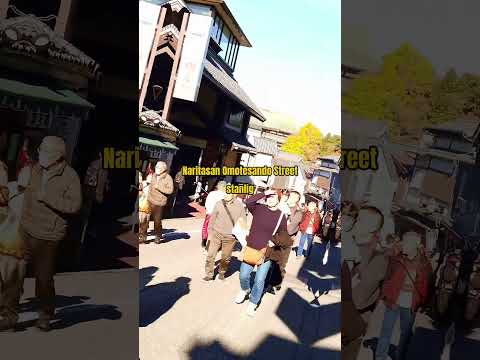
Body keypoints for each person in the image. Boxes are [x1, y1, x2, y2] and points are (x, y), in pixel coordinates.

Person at [20, 136, 82, 331]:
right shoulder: (36, 169)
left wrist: (47, 198)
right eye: (40, 150)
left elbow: (74, 206)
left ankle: (45, 313)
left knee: (43, 278)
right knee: (13, 272)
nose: (40, 154)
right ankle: (8, 312)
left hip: (49, 235)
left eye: (44, 152)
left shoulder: (70, 176)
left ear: (57, 156)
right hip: (26, 228)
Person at [375, 231, 432, 360]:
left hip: (410, 304)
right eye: (403, 241)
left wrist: (421, 301)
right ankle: (380, 356)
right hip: (393, 300)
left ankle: (400, 356)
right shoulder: (397, 258)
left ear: (416, 244)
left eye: (406, 241)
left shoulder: (424, 264)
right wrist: (385, 295)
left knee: (405, 334)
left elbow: (426, 285)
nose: (403, 244)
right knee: (386, 331)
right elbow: (387, 277)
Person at [234, 189, 287, 317]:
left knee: (259, 280)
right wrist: (264, 193)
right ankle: (245, 290)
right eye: (268, 197)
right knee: (243, 275)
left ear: (278, 200)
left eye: (273, 197)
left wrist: (274, 242)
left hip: (266, 252)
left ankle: (253, 303)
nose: (270, 199)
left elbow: (284, 235)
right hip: (251, 248)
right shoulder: (259, 209)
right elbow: (248, 201)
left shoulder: (281, 216)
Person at [0, 166, 31, 331]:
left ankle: (9, 319)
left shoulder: (37, 198)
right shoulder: (9, 187)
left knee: (12, 282)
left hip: (18, 246)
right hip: (5, 241)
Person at [203, 191, 245, 281]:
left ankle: (222, 272)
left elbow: (243, 223)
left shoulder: (239, 206)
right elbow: (212, 218)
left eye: (228, 193)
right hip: (216, 234)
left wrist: (241, 235)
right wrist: (210, 233)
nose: (226, 195)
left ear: (234, 194)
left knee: (225, 258)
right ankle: (209, 274)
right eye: (225, 193)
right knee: (210, 255)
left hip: (230, 237)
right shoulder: (219, 203)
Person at [80, 150, 108, 243]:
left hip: (90, 192)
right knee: (93, 214)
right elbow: (102, 182)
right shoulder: (104, 166)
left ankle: (83, 235)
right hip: (96, 193)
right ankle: (89, 233)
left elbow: (89, 180)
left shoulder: (94, 164)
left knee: (87, 215)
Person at [143, 161, 174, 244]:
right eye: (156, 167)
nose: (156, 168)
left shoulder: (168, 178)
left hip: (159, 203)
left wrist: (159, 187)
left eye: (158, 167)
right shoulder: (153, 175)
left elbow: (170, 191)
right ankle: (143, 236)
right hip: (150, 200)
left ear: (163, 169)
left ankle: (158, 236)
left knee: (157, 221)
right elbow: (150, 187)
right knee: (145, 219)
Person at [201, 180, 226, 250]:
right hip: (220, 215)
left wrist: (208, 210)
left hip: (210, 213)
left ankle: (204, 241)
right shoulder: (225, 195)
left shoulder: (211, 194)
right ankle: (217, 245)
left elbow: (206, 204)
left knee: (206, 227)